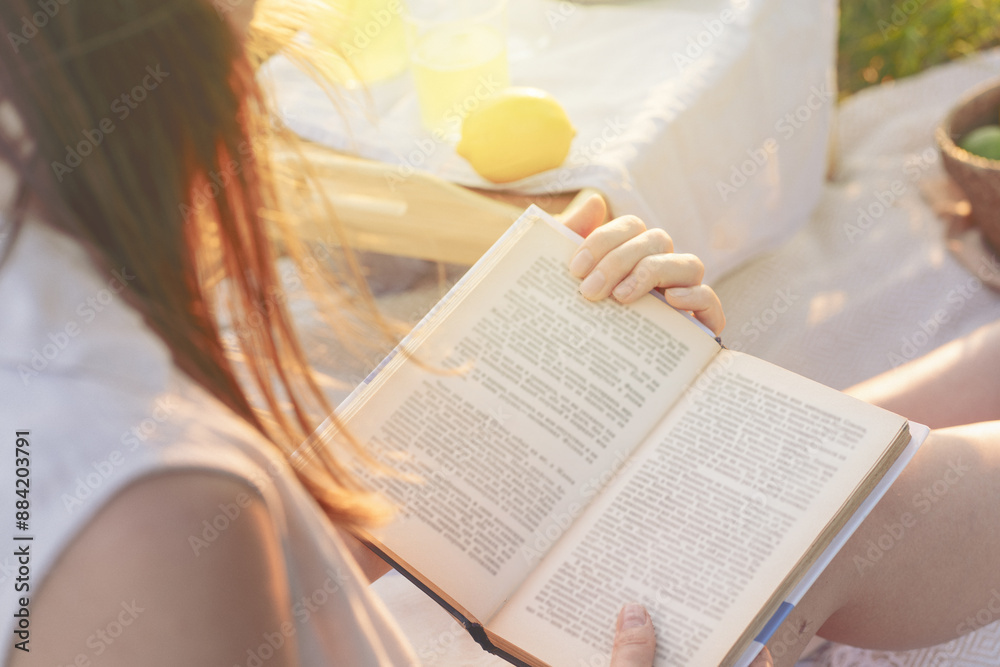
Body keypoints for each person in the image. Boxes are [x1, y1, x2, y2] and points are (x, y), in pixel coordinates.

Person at [0, 2, 765, 666]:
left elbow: (285, 562)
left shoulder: (68, 360)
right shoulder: (151, 510)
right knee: (873, 498)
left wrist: (576, 365)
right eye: (238, 67)